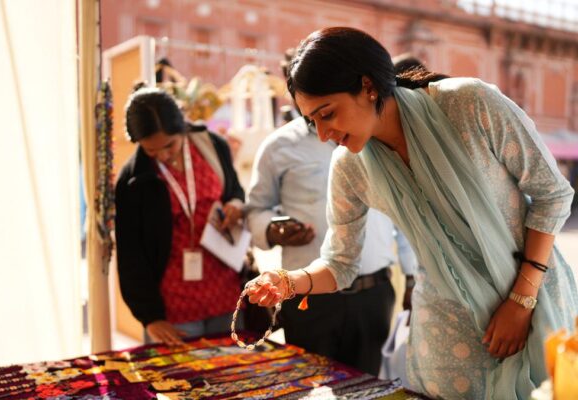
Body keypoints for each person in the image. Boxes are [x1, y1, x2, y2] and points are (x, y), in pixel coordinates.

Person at [245, 27, 578, 399]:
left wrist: (521, 300)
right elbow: (341, 264)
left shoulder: (469, 105)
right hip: (447, 327)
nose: (323, 134)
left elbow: (552, 194)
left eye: (328, 114)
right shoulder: (350, 167)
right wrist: (288, 282)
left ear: (368, 87)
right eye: (312, 121)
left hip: (533, 294)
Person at [246, 97, 418, 375]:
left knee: (369, 386)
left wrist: (412, 276)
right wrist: (272, 229)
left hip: (372, 293)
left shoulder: (376, 136)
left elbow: (403, 212)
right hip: (308, 297)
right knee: (310, 385)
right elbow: (255, 209)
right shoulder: (278, 146)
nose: (325, 132)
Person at [115, 86, 245, 345]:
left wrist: (235, 205)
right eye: (152, 151)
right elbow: (131, 254)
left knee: (232, 366)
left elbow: (234, 190)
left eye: (169, 145)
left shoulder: (214, 147)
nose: (163, 155)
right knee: (179, 372)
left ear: (183, 128)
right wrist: (150, 317)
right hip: (173, 305)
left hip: (225, 292)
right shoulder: (133, 179)